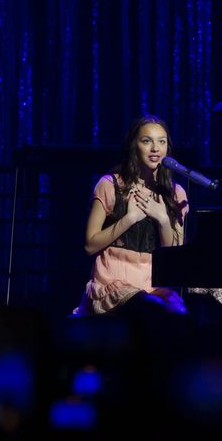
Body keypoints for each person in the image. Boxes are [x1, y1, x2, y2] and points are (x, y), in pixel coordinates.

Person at [73, 115, 189, 317]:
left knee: (177, 314)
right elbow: (89, 245)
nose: (155, 148)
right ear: (134, 146)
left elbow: (175, 258)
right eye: (147, 141)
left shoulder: (176, 193)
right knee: (148, 307)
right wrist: (129, 218)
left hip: (154, 284)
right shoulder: (110, 185)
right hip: (115, 281)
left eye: (161, 142)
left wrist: (162, 219)